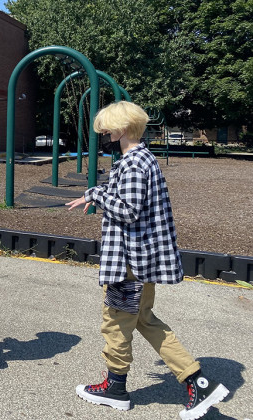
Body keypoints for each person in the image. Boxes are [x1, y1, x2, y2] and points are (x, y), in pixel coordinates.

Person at [66, 101, 228, 419]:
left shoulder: (132, 162)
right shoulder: (144, 159)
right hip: (142, 261)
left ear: (123, 128)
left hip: (128, 262)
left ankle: (115, 389)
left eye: (109, 127)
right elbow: (131, 203)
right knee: (144, 320)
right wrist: (98, 192)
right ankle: (199, 382)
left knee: (115, 322)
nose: (106, 133)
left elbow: (128, 209)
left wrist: (95, 194)